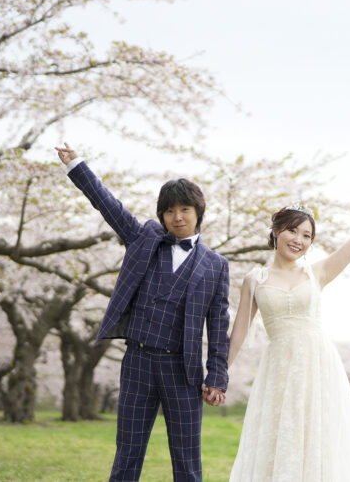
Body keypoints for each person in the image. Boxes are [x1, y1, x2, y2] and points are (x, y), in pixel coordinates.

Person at [55, 143, 230, 482]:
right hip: (138, 362)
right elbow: (108, 205)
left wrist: (217, 377)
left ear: (198, 211)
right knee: (128, 454)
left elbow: (218, 325)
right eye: (168, 211)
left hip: (184, 370)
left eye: (184, 209)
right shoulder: (144, 238)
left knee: (187, 461)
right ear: (161, 215)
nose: (176, 217)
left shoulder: (216, 266)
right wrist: (76, 165)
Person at [227, 193, 350, 481]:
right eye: (292, 230)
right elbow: (239, 330)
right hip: (278, 367)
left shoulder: (318, 273)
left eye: (306, 235)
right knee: (279, 435)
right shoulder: (255, 279)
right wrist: (219, 373)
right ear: (276, 231)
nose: (298, 240)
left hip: (317, 365)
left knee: (320, 437)